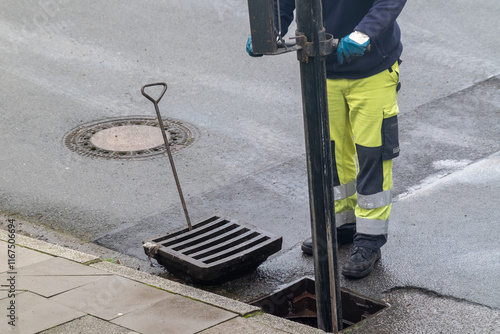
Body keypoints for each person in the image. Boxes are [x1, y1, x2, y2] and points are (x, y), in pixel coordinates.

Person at [247, 0, 407, 278]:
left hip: (372, 68)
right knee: (331, 153)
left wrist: (363, 33)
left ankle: (369, 241)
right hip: (322, 67)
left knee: (373, 155)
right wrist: (268, 31)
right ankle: (342, 224)